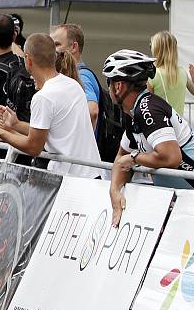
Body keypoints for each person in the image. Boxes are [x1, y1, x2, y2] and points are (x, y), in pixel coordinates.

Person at [0, 34, 102, 178]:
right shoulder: (73, 85)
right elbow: (53, 131)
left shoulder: (43, 97)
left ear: (28, 60)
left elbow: (33, 147)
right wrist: (15, 124)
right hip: (92, 174)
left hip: (70, 180)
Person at [106, 50, 194, 209]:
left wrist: (134, 157)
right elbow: (121, 156)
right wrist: (115, 191)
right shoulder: (132, 111)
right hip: (180, 198)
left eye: (109, 82)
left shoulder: (148, 109)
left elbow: (171, 158)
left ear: (118, 86)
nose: (109, 88)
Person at [50, 24, 99, 129]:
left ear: (74, 47)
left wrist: (75, 138)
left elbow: (92, 111)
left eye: (57, 45)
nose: (52, 50)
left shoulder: (82, 76)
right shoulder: (68, 76)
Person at [148, 30, 194, 117]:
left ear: (156, 50)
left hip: (159, 126)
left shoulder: (152, 75)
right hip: (179, 127)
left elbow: (146, 105)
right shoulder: (182, 73)